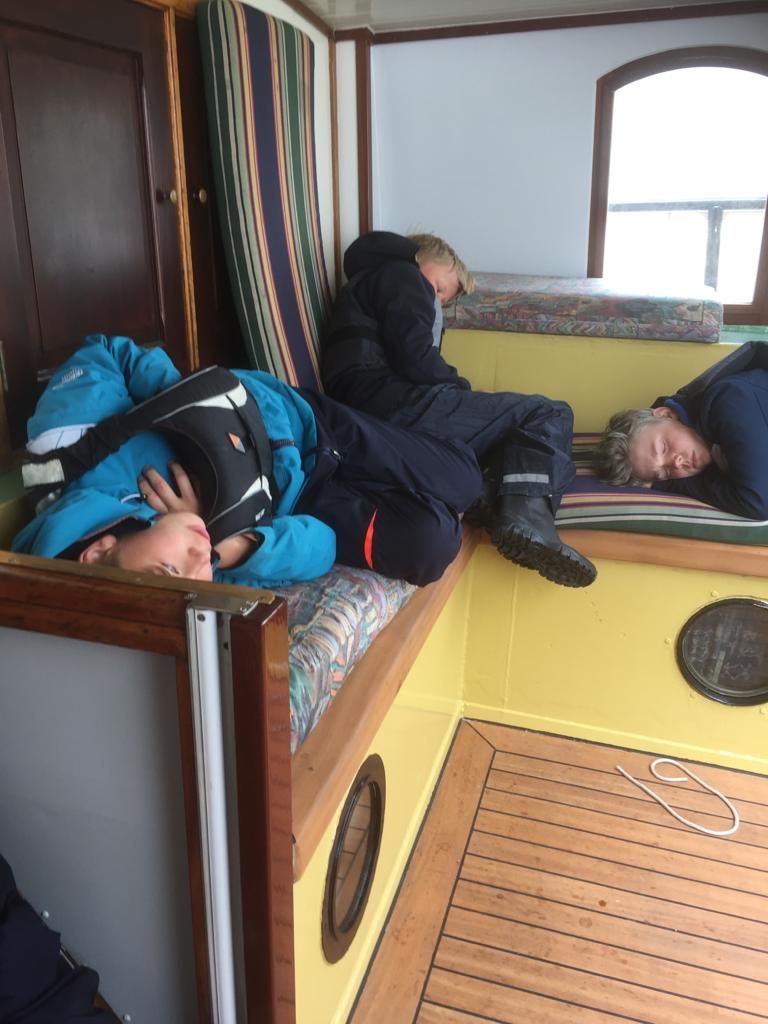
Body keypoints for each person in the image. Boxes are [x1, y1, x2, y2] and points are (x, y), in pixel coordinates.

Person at [12, 334, 483, 588]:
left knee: (466, 479)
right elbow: (321, 543)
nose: (198, 560)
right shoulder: (203, 563)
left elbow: (108, 353)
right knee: (432, 544)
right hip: (306, 498)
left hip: (300, 422)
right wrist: (225, 543)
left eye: (171, 570)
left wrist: (190, 407)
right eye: (196, 577)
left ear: (99, 551)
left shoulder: (67, 457)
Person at [320, 230, 597, 588]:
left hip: (372, 410)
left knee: (498, 444)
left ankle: (494, 504)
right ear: (424, 256)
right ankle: (526, 514)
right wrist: (460, 390)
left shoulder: (371, 282)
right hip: (390, 404)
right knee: (549, 413)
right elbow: (415, 356)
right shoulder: (403, 274)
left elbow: (406, 353)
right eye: (439, 288)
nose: (435, 298)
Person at [594, 340, 768, 520]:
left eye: (664, 448)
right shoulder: (706, 439)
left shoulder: (728, 399)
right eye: (665, 473)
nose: (677, 464)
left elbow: (758, 502)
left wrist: (666, 485)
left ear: (666, 414)